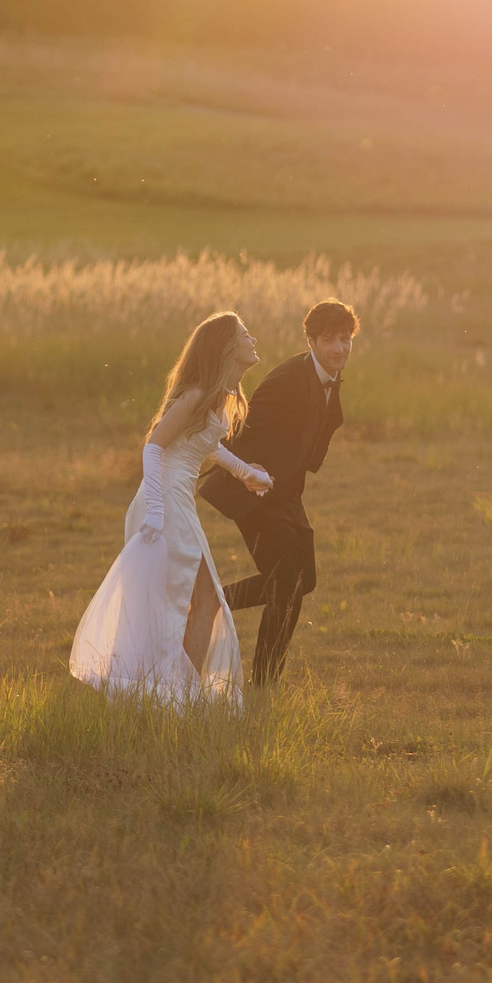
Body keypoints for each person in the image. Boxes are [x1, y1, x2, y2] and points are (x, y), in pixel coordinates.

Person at [69, 312, 273, 708]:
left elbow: (207, 447)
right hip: (164, 504)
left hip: (177, 503)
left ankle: (177, 697)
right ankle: (179, 699)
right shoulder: (196, 395)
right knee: (195, 602)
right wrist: (157, 512)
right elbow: (154, 445)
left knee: (197, 603)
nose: (254, 340)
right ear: (227, 347)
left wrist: (249, 474)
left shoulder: (219, 399)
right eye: (246, 334)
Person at [200, 299, 354, 687]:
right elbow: (245, 429)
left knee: (303, 581)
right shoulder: (288, 379)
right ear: (311, 340)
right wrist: (251, 474)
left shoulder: (328, 377)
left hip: (284, 491)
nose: (339, 348)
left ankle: (212, 602)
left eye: (345, 339)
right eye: (329, 339)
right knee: (287, 580)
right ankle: (264, 683)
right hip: (251, 489)